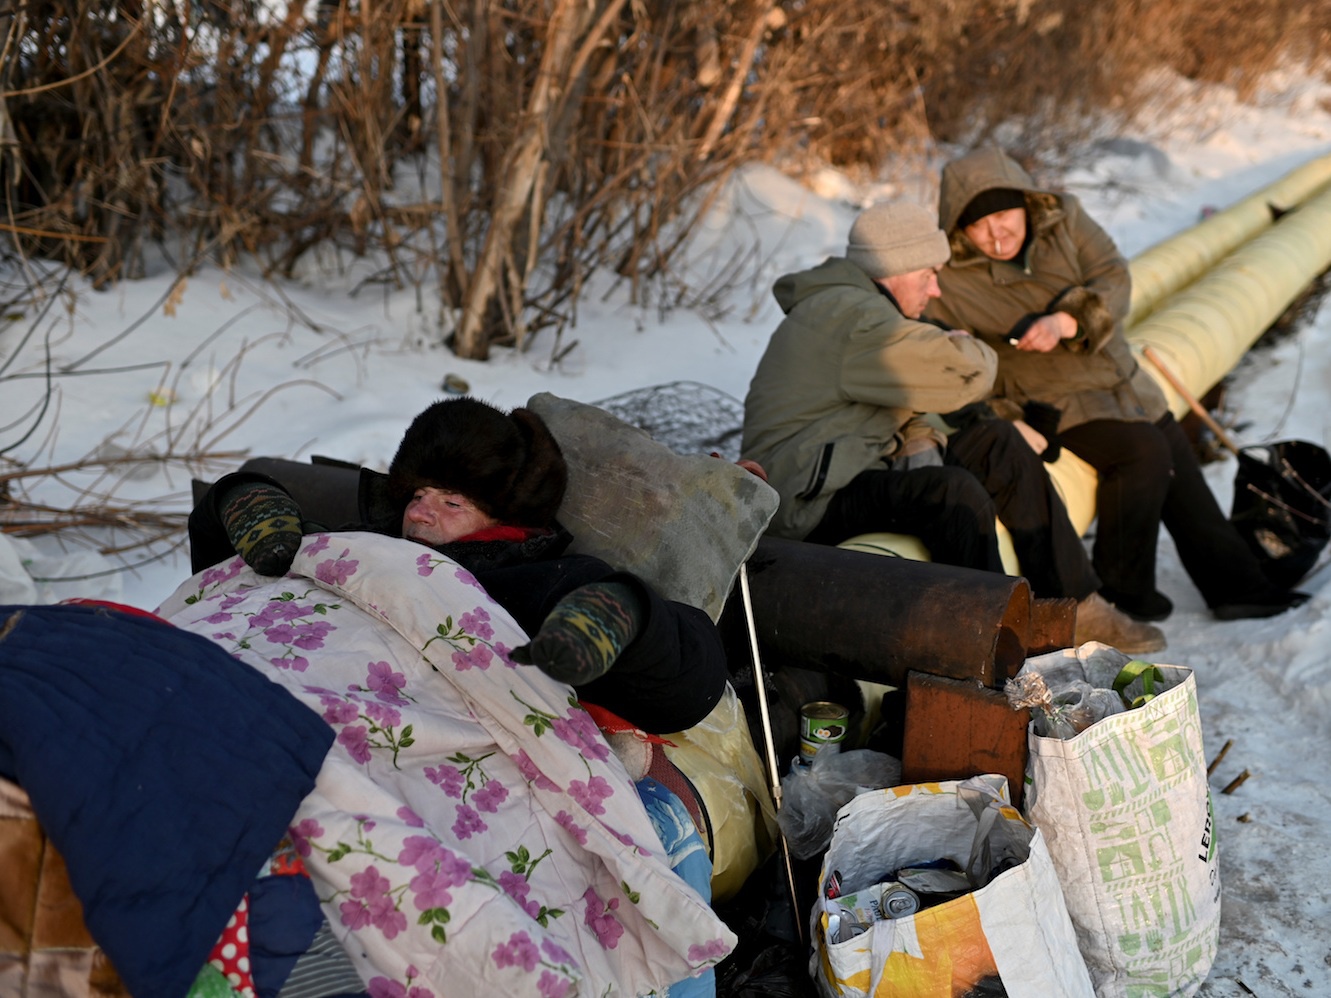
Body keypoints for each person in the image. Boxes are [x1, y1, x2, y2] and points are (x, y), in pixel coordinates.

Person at [740, 199, 1165, 653]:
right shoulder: (856, 316)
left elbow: (913, 399)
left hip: (847, 464)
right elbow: (968, 373)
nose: (937, 290)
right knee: (951, 494)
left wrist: (927, 431)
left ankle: (1073, 608)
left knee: (994, 442)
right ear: (897, 270)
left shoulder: (858, 307)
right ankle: (997, 648)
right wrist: (963, 344)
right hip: (803, 500)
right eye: (929, 274)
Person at [188, 396, 730, 736]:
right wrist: (240, 499)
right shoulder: (359, 549)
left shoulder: (545, 585)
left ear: (505, 520)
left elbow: (691, 686)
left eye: (452, 503)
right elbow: (225, 594)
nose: (422, 511)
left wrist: (626, 618)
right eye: (417, 493)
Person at [927, 145, 1309, 622]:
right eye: (977, 225)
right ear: (959, 230)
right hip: (1047, 400)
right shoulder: (949, 281)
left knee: (1175, 457)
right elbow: (946, 359)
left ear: (1025, 203)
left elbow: (1112, 275)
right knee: (1144, 452)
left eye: (1003, 215)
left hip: (1119, 378)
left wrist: (1067, 321)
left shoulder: (1064, 220)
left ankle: (1239, 587)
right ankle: (1124, 594)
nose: (995, 233)